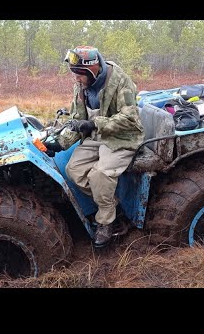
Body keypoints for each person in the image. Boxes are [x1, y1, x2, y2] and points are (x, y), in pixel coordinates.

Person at [45, 46, 144, 247]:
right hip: (97, 135)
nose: (76, 79)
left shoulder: (121, 82)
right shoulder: (81, 86)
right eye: (74, 74)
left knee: (99, 174)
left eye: (80, 74)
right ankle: (112, 207)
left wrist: (94, 124)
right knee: (74, 170)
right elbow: (78, 119)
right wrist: (59, 143)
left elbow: (130, 118)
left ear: (93, 69)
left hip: (122, 137)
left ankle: (107, 221)